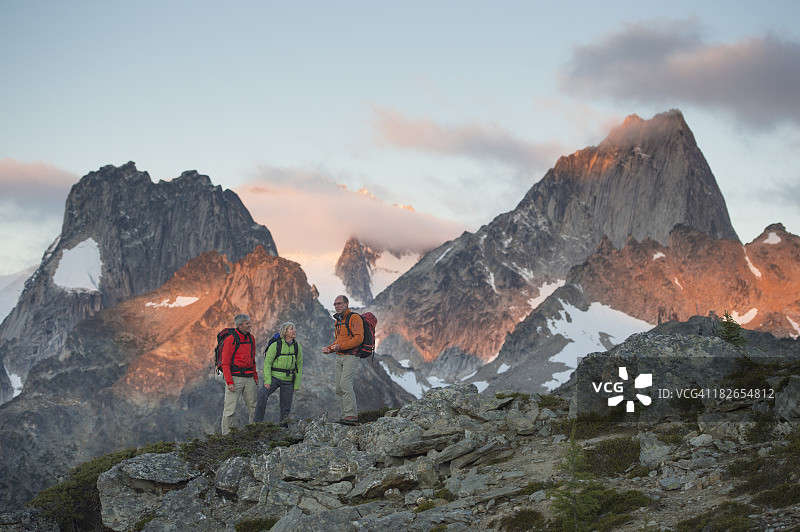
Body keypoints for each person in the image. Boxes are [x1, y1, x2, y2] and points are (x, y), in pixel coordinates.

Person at [322, 295, 363, 425]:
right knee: (338, 387)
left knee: (345, 383)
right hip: (339, 356)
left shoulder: (354, 318)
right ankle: (344, 415)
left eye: (339, 304)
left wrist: (340, 347)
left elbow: (358, 338)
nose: (337, 306)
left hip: (350, 356)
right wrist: (330, 348)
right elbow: (339, 340)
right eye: (335, 304)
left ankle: (351, 415)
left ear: (346, 304)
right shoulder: (338, 320)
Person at [254, 322, 303, 427]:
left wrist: (296, 384)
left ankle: (283, 429)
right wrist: (267, 381)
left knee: (285, 407)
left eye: (294, 328)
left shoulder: (297, 347)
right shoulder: (275, 345)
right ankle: (257, 424)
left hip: (289, 380)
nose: (294, 330)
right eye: (291, 329)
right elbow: (267, 364)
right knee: (262, 395)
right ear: (285, 332)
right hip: (274, 378)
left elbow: (299, 367)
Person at [220, 313, 259, 435]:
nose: (250, 325)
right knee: (229, 409)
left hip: (249, 378)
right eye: (247, 323)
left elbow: (252, 359)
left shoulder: (251, 338)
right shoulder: (231, 339)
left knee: (254, 407)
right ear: (239, 325)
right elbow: (225, 363)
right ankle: (226, 437)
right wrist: (229, 382)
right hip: (235, 378)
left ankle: (254, 433)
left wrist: (255, 377)